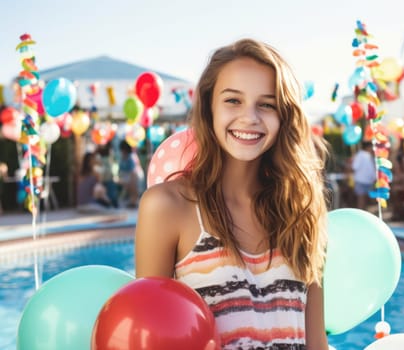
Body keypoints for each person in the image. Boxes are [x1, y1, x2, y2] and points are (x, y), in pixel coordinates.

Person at [135, 38, 329, 349]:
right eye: (233, 101)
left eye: (267, 104)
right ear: (209, 107)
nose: (250, 117)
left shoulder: (302, 210)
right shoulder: (168, 207)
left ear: (284, 117)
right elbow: (146, 337)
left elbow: (315, 343)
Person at [118, 140, 144, 208]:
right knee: (131, 190)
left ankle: (134, 201)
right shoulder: (124, 157)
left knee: (133, 189)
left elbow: (133, 170)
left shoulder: (131, 157)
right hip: (128, 176)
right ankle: (133, 201)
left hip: (133, 175)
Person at [351, 140, 376, 210]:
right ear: (368, 147)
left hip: (366, 181)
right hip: (361, 181)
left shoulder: (368, 155)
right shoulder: (360, 155)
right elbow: (354, 167)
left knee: (365, 202)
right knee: (361, 201)